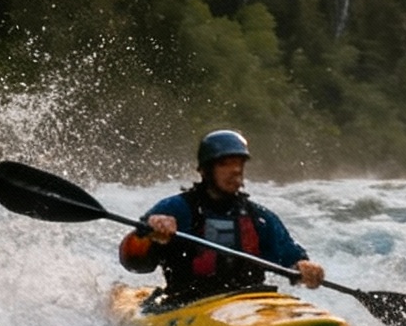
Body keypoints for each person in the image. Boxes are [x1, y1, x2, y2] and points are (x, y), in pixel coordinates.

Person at [119, 130, 325, 305]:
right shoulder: (176, 208)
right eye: (225, 163)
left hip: (248, 305)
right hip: (186, 304)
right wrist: (150, 236)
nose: (235, 170)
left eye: (239, 163)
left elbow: (292, 259)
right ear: (205, 170)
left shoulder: (260, 219)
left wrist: (305, 268)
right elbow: (133, 262)